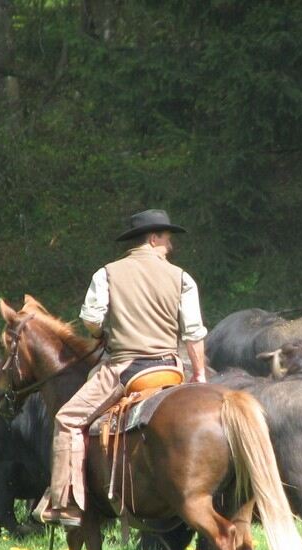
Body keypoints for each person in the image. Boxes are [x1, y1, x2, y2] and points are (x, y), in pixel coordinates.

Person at [35, 209, 208, 527]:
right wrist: (199, 375)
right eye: (167, 240)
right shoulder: (182, 278)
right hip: (170, 368)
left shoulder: (107, 274)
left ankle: (66, 502)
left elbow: (91, 318)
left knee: (68, 419)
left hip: (125, 369)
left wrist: (101, 334)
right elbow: (194, 333)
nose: (169, 248)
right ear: (154, 238)